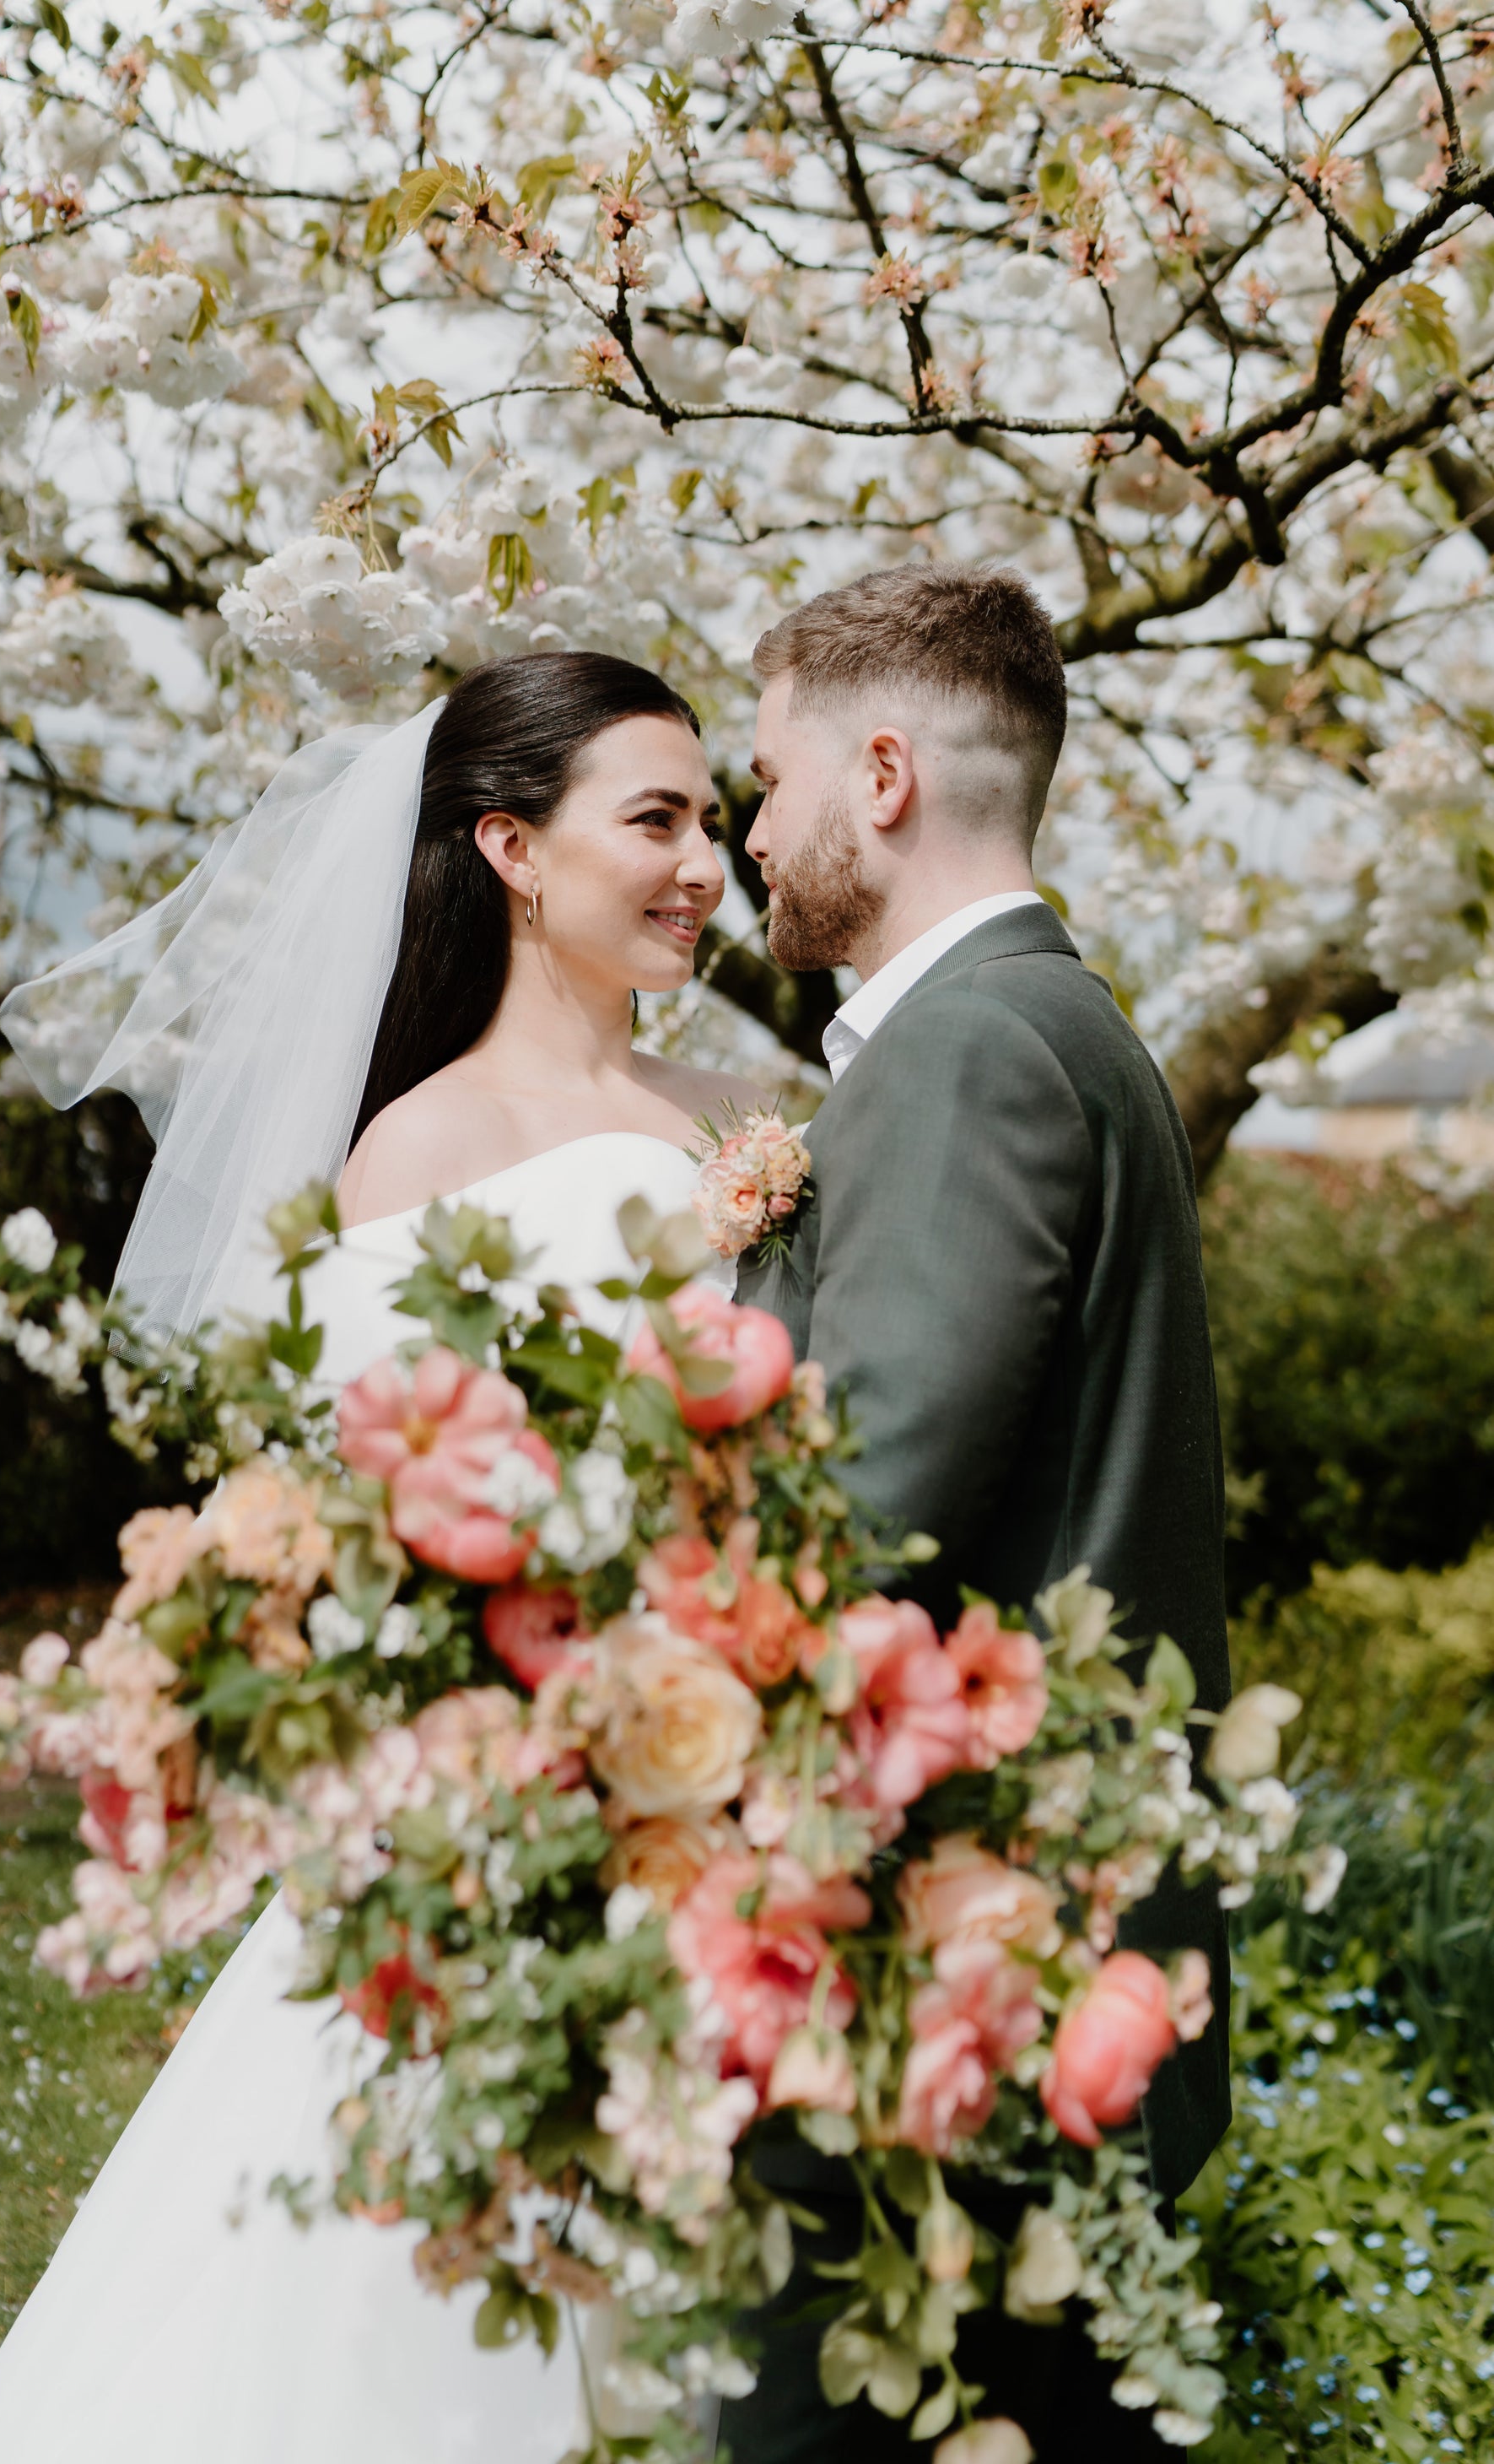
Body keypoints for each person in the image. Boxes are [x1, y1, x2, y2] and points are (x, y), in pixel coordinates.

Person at [0, 652, 759, 2464]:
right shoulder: (418, 1151)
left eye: (712, 818)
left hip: (727, 1783)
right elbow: (389, 1512)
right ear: (512, 847)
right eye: (657, 817)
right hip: (494, 1799)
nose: (707, 859)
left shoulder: (743, 1113)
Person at [719, 562, 1232, 2464]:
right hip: (1053, 1951)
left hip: (956, 1961)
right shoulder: (1063, 1025)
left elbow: (856, 1513)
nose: (750, 835)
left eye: (766, 784)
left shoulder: (968, 1054)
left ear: (880, 773)